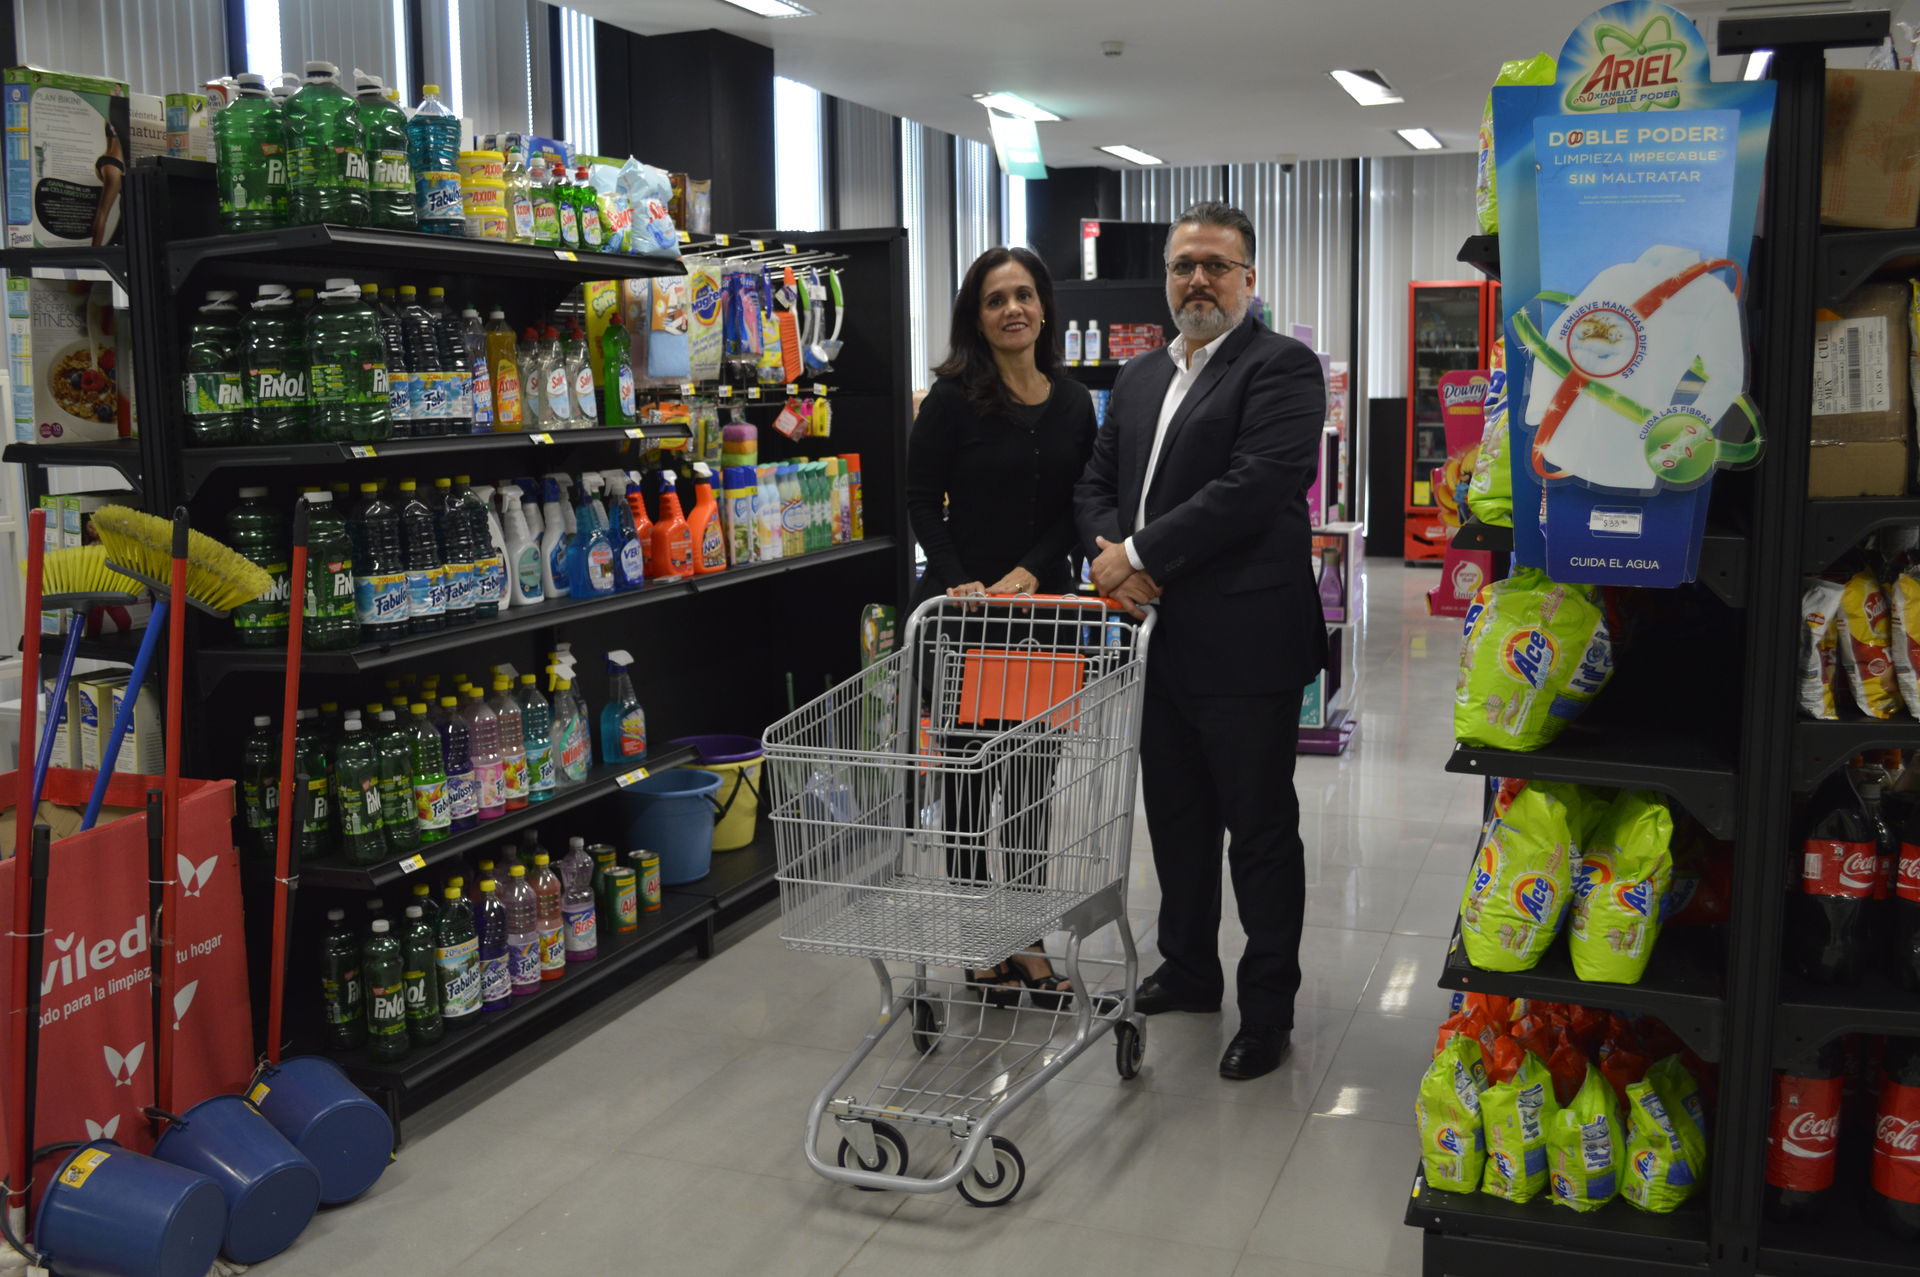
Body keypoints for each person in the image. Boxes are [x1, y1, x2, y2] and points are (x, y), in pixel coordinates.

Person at [1073, 201, 1327, 1081]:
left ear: (1249, 280)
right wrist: (1112, 556)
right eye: (1184, 264)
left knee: (1258, 831)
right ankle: (1188, 969)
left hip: (1246, 641)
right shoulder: (1141, 376)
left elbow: (1257, 486)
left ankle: (1268, 1010)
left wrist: (1138, 555)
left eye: (1218, 265)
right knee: (1176, 821)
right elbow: (1097, 479)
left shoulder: (1282, 368)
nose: (1198, 280)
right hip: (1154, 640)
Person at [907, 246, 1096, 1008]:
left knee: (1028, 786)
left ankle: (1025, 935)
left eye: (1023, 294)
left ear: (1044, 307)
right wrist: (959, 579)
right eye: (994, 299)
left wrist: (1032, 569)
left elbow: (1075, 509)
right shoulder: (951, 398)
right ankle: (976, 938)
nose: (1011, 308)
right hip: (962, 622)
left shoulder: (1076, 401)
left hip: (1040, 621)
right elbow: (922, 500)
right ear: (976, 317)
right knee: (964, 787)